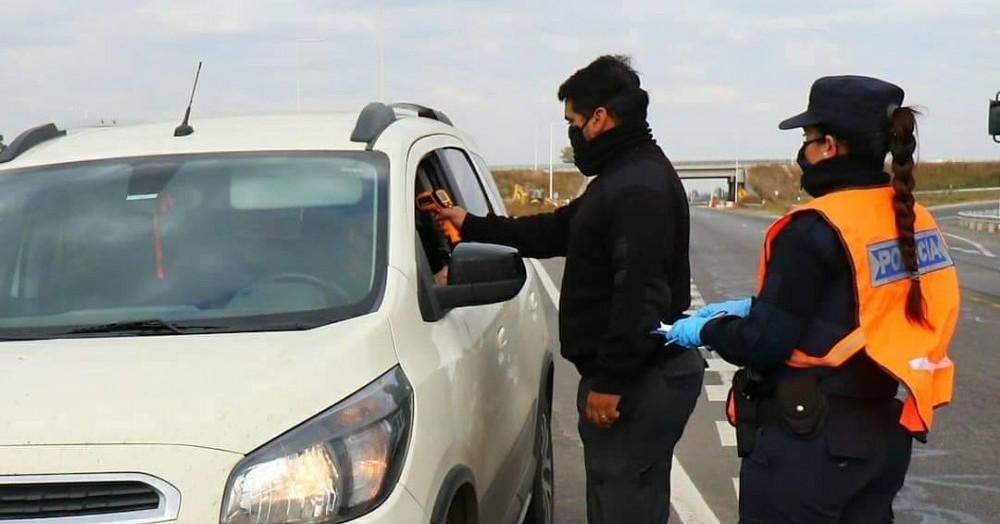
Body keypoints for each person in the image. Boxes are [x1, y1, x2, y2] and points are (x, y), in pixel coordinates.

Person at [669, 75, 960, 523]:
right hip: (879, 433)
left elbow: (765, 342)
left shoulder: (814, 227)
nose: (802, 153)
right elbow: (861, 305)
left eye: (806, 140)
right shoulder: (910, 218)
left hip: (809, 444)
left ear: (829, 146)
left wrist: (707, 328)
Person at [437, 55, 703, 523]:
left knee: (624, 507)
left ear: (599, 118)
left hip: (639, 381)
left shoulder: (637, 187)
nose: (573, 134)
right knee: (629, 502)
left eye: (573, 122)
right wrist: (472, 225)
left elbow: (639, 296)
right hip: (639, 375)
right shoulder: (622, 179)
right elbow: (560, 231)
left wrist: (611, 381)